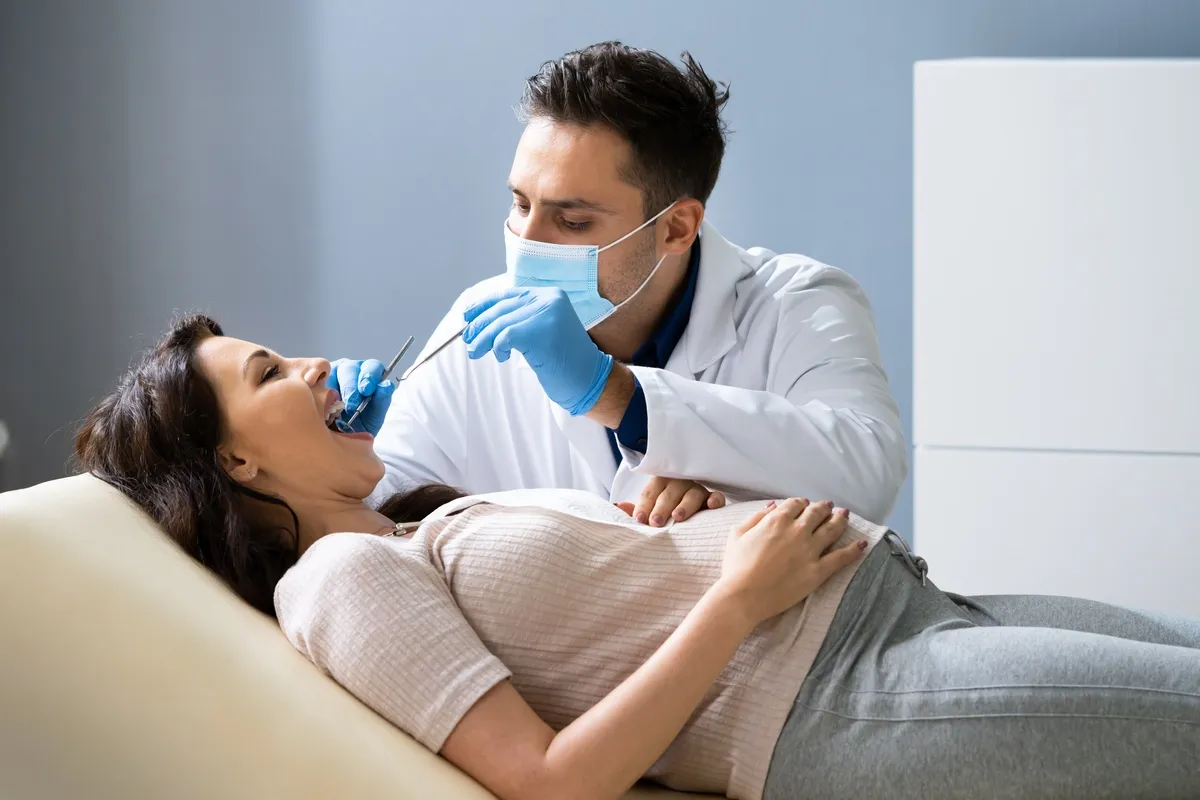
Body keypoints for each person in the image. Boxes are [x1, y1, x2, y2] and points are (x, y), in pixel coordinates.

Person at [75, 314, 1200, 800]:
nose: (317, 366)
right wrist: (732, 596)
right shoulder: (335, 579)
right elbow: (548, 778)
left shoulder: (407, 526)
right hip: (845, 699)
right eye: (273, 373)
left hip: (903, 610)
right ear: (233, 465)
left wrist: (666, 521)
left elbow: (597, 623)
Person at [332, 42, 907, 527]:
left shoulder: (796, 302)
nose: (527, 241)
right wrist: (346, 453)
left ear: (677, 228)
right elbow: (389, 518)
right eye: (520, 203)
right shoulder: (480, 321)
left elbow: (867, 471)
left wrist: (613, 394)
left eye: (573, 220)